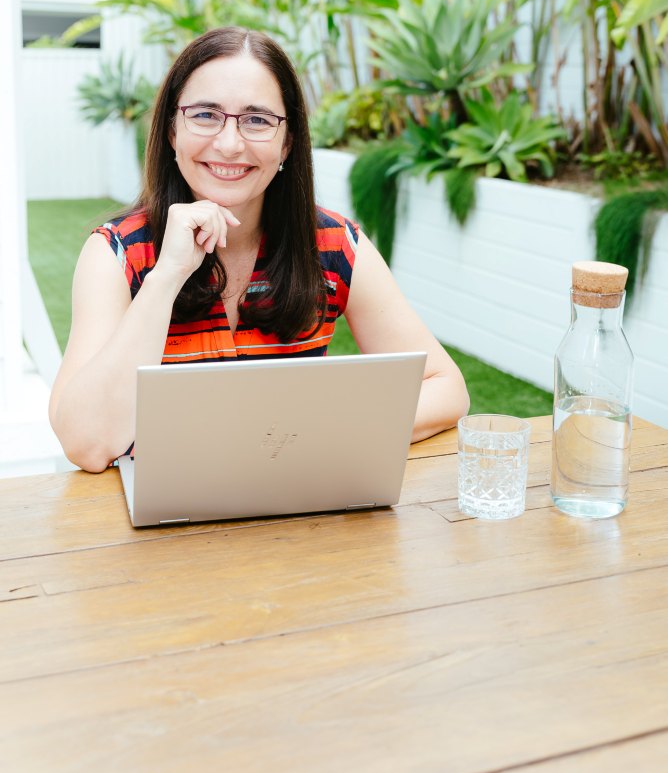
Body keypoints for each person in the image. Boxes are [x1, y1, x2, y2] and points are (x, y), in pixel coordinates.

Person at [49, 27, 469, 472]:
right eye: (206, 115)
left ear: (287, 142)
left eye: (257, 120)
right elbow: (86, 443)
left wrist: (303, 434)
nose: (229, 144)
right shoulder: (114, 254)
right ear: (172, 131)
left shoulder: (333, 244)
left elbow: (445, 389)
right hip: (155, 525)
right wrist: (166, 277)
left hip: (295, 515)